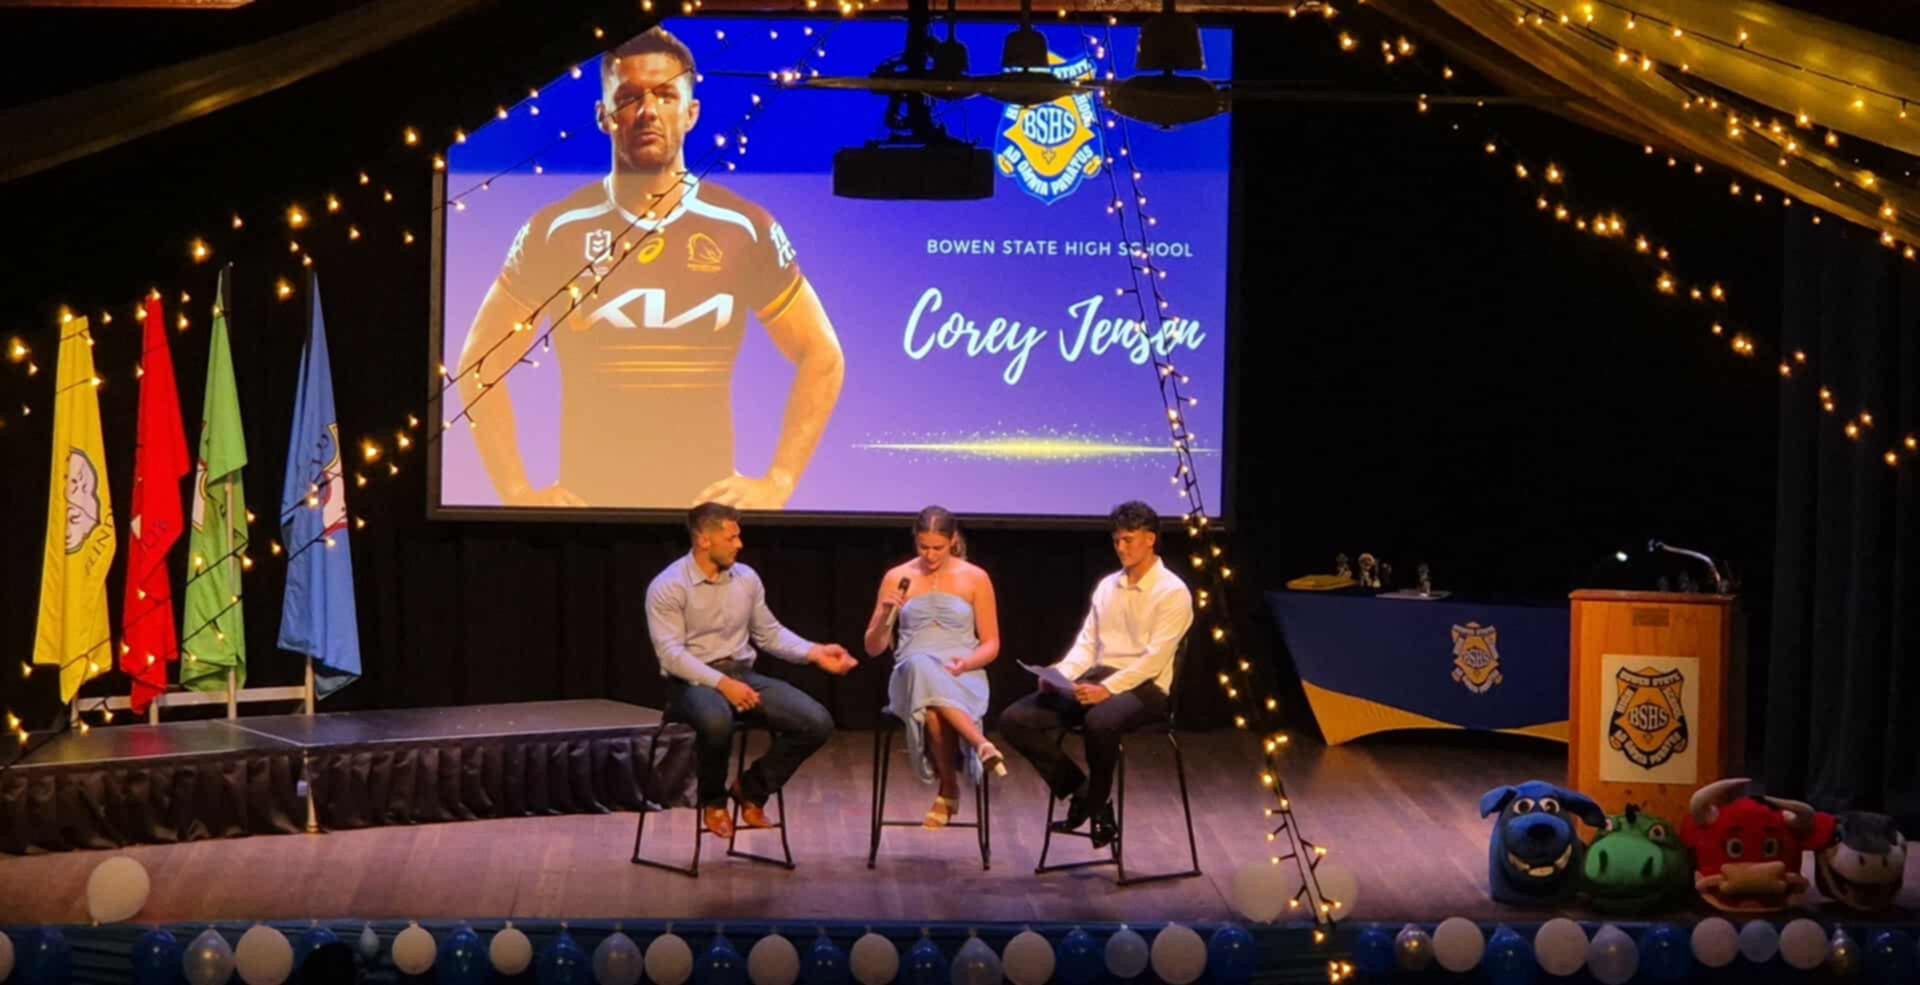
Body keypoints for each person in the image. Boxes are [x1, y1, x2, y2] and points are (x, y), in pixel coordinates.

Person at [459, 26, 844, 510]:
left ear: (691, 113)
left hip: (708, 520)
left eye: (665, 96)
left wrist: (780, 480)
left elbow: (822, 355)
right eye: (629, 97)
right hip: (587, 517)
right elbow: (479, 364)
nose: (648, 112)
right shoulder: (556, 230)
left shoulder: (743, 227)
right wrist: (516, 492)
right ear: (604, 116)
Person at [645, 502, 858, 838]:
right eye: (731, 538)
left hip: (741, 674)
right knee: (717, 722)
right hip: (690, 682)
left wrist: (814, 652)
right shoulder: (669, 586)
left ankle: (751, 789)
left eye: (738, 536)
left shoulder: (746, 578)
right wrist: (722, 684)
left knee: (816, 722)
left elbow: (769, 633)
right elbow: (672, 655)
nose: (739, 544)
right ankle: (713, 802)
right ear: (704, 540)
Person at [999, 500, 1194, 848]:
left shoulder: (1172, 592)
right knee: (1015, 720)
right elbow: (1087, 645)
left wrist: (1108, 690)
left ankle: (1094, 801)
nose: (1121, 548)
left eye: (1128, 540)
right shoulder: (1108, 586)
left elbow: (1153, 660)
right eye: (1116, 540)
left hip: (1148, 688)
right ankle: (1088, 796)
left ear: (1150, 539)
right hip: (1101, 676)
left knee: (1100, 720)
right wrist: (1060, 674)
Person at [864, 506, 1006, 829]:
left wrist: (968, 662)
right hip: (910, 673)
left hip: (962, 672)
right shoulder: (897, 577)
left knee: (931, 709)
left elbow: (991, 644)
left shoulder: (975, 577)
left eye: (938, 548)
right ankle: (980, 743)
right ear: (915, 540)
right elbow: (873, 648)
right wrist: (884, 615)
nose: (930, 555)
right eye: (923, 547)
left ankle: (948, 789)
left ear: (952, 540)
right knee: (920, 665)